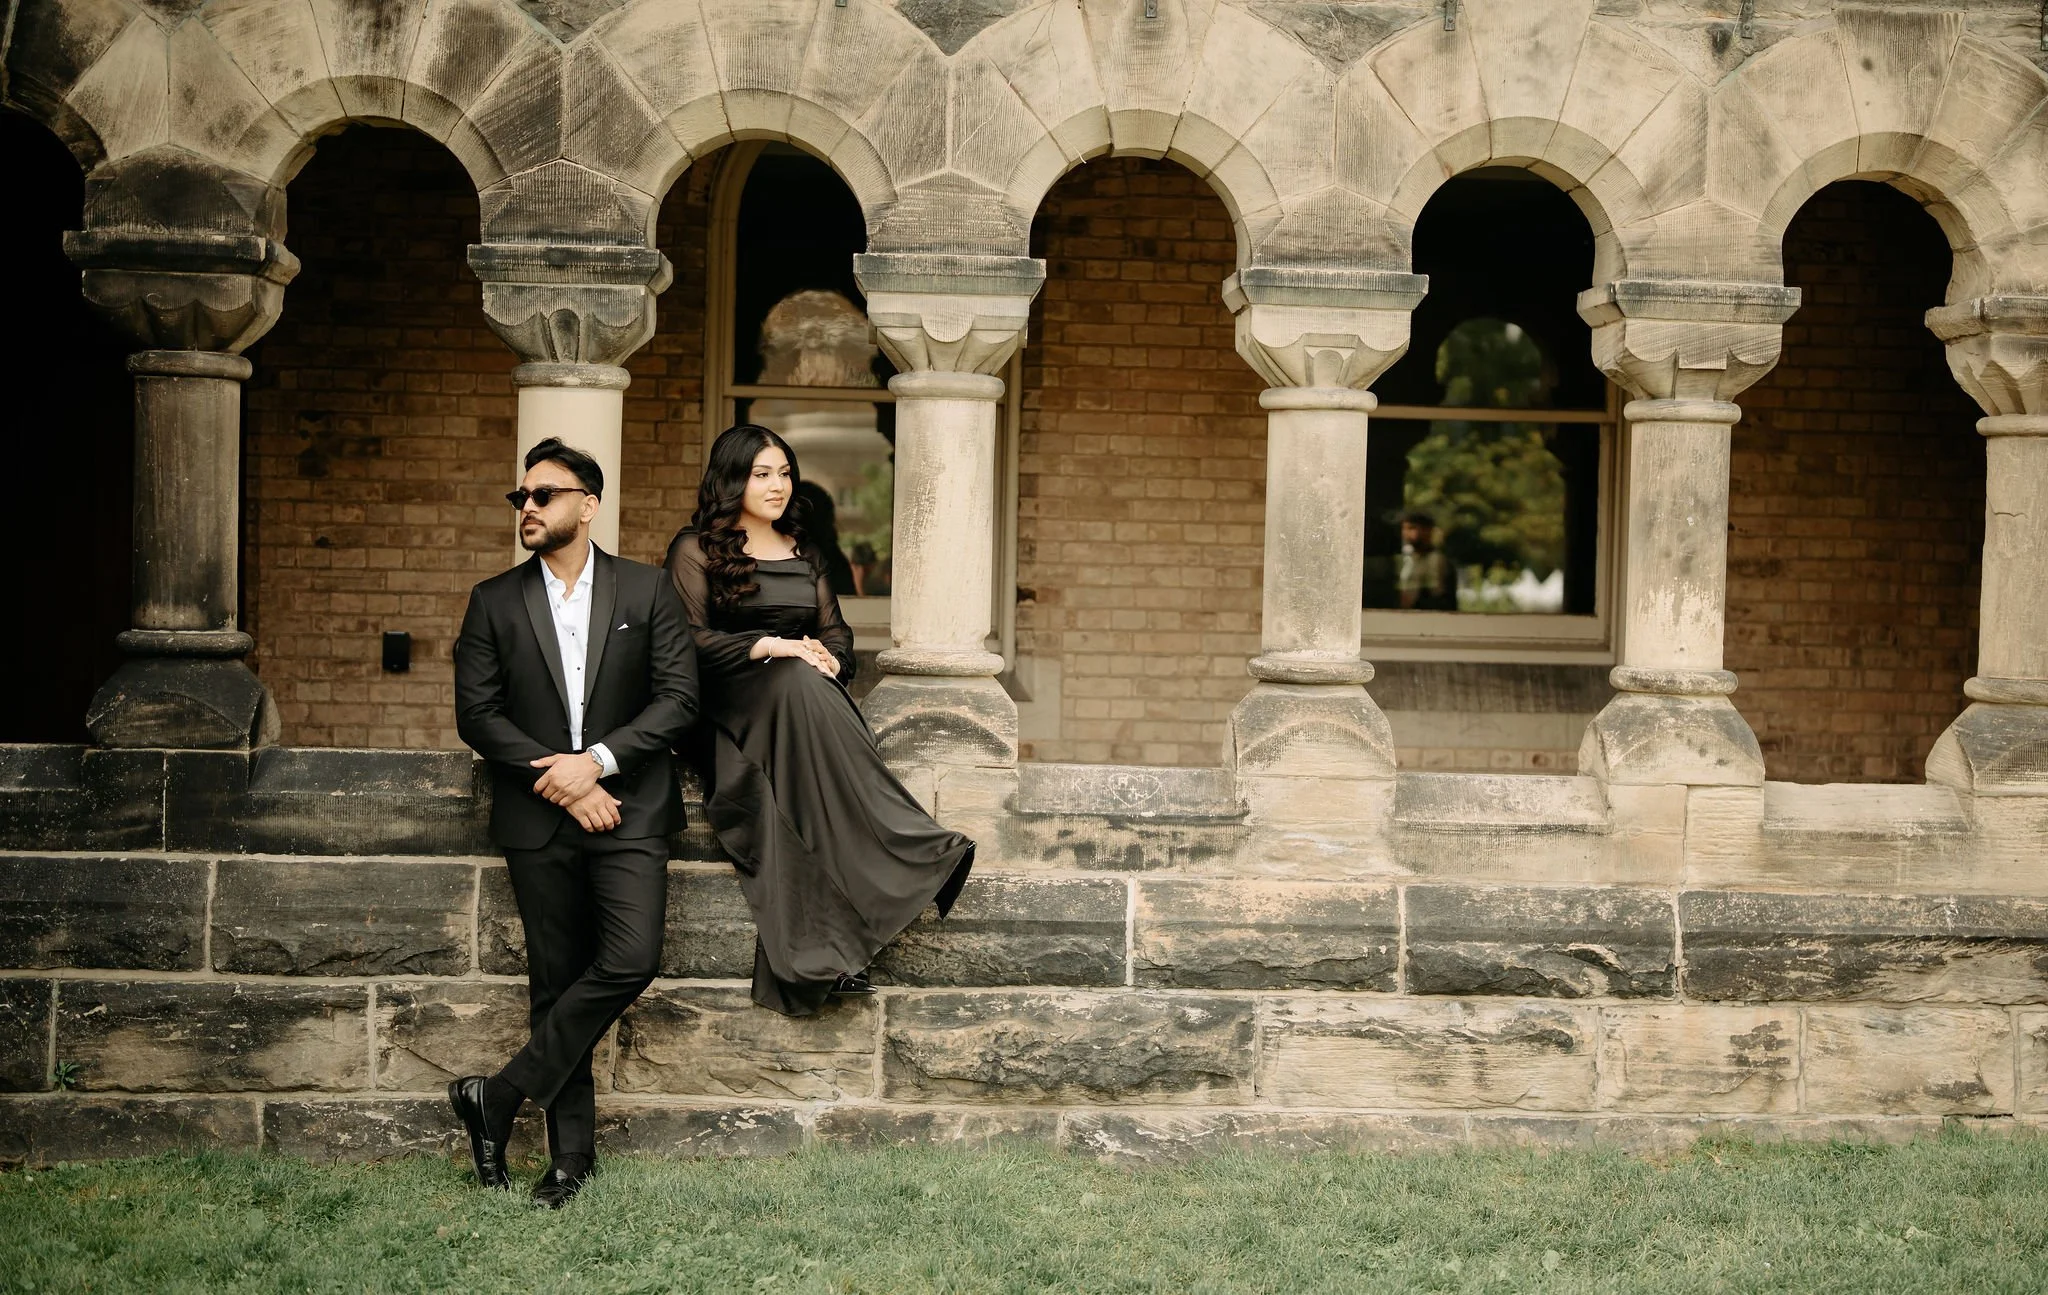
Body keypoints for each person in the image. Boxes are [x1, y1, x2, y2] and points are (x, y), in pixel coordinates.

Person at [448, 437, 699, 1208]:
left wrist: (597, 761)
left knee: (631, 957)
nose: (527, 506)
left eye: (543, 494)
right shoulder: (493, 600)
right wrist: (563, 780)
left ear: (588, 504)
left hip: (630, 808)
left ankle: (497, 1095)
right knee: (554, 983)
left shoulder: (648, 590)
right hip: (539, 814)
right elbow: (478, 715)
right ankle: (569, 1161)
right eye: (520, 497)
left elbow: (679, 700)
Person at [664, 423, 974, 1017]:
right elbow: (686, 640)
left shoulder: (804, 551)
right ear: (731, 479)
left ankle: (827, 955)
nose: (777, 485)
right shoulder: (694, 548)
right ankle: (919, 851)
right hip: (724, 702)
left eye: (784, 473)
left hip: (796, 697)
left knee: (804, 709)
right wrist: (772, 645)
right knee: (795, 679)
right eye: (762, 474)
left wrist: (832, 657)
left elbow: (836, 632)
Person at [1396, 510, 1457, 611]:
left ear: (1427, 530)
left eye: (1412, 528)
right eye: (1404, 529)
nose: (1406, 533)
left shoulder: (1439, 561)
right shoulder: (1404, 559)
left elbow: (1441, 598)